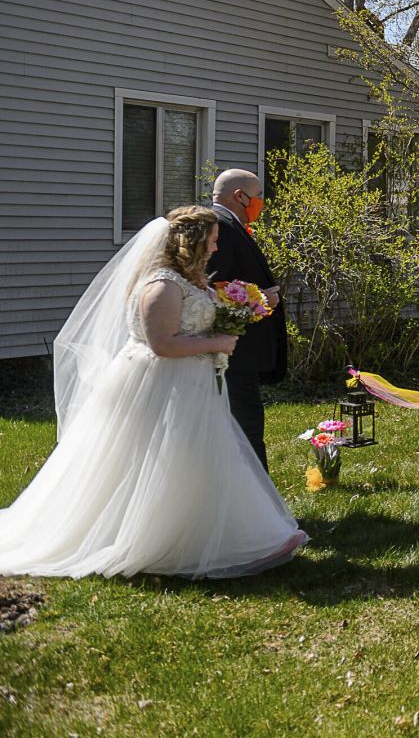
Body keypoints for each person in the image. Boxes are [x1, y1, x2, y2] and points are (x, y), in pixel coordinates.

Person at [0, 208, 307, 579]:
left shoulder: (191, 281)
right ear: (191, 243)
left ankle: (239, 535)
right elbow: (161, 344)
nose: (215, 245)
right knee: (159, 459)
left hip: (192, 383)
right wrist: (219, 342)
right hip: (160, 383)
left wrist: (244, 312)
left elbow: (199, 316)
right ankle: (152, 540)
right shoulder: (161, 286)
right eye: (210, 239)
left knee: (202, 458)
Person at [208, 168, 286, 471]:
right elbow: (213, 289)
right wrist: (260, 299)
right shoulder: (221, 227)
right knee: (247, 428)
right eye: (258, 197)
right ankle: (260, 506)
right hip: (234, 354)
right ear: (240, 196)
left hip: (239, 353)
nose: (261, 203)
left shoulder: (229, 224)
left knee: (247, 425)